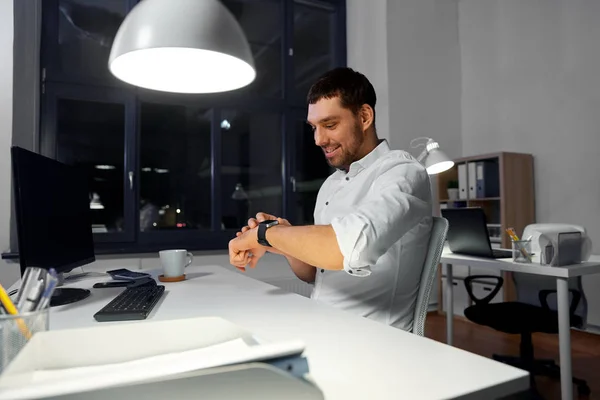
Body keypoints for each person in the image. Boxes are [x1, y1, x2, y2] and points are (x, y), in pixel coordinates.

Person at [229, 67, 433, 331]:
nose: (318, 139)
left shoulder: (402, 173)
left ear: (364, 116)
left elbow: (350, 246)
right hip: (322, 324)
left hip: (374, 340)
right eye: (314, 128)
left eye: (330, 125)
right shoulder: (331, 185)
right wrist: (279, 242)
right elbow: (314, 274)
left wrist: (267, 233)